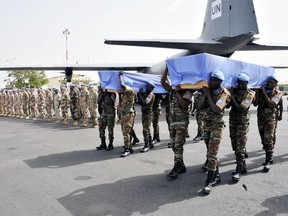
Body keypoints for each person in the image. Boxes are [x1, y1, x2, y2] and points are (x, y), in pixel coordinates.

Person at [198, 70, 231, 194]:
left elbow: (216, 109)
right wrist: (205, 94)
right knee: (210, 153)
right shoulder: (208, 92)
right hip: (207, 125)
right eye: (212, 80)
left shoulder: (225, 93)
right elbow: (200, 106)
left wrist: (208, 94)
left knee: (212, 153)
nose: (213, 82)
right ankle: (216, 175)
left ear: (221, 82)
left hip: (217, 125)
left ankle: (209, 181)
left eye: (216, 80)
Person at [161, 66, 192, 178]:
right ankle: (181, 164)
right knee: (174, 145)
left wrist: (178, 92)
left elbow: (184, 104)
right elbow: (162, 82)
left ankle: (177, 167)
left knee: (178, 144)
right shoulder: (171, 90)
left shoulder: (188, 91)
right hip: (172, 121)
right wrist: (166, 69)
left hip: (182, 122)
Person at [227, 73, 256, 181]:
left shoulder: (250, 94)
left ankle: (238, 170)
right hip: (233, 121)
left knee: (240, 146)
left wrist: (231, 96)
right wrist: (229, 95)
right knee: (235, 144)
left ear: (247, 83)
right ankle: (243, 166)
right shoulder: (235, 92)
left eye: (243, 83)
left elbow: (241, 108)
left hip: (242, 123)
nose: (240, 85)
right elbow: (228, 106)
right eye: (239, 83)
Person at [254, 75, 283, 172]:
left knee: (268, 138)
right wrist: (258, 92)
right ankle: (268, 152)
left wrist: (280, 115)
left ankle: (268, 159)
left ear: (275, 84)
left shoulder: (278, 94)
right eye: (269, 82)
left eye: (272, 83)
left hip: (271, 119)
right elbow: (256, 103)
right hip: (261, 119)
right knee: (263, 138)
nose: (269, 84)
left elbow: (271, 104)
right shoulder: (261, 91)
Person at [119, 71, 136, 157]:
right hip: (125, 114)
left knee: (126, 132)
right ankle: (129, 147)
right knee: (126, 131)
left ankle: (127, 149)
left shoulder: (130, 91)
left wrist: (121, 76)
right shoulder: (126, 93)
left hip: (128, 114)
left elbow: (122, 85)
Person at [137, 82, 156, 152]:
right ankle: (151, 143)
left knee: (145, 130)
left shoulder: (151, 95)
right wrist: (140, 94)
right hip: (144, 114)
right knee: (147, 129)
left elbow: (144, 102)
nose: (147, 88)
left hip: (148, 114)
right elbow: (139, 102)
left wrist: (139, 94)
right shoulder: (146, 94)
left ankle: (146, 145)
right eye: (147, 86)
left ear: (152, 88)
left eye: (149, 87)